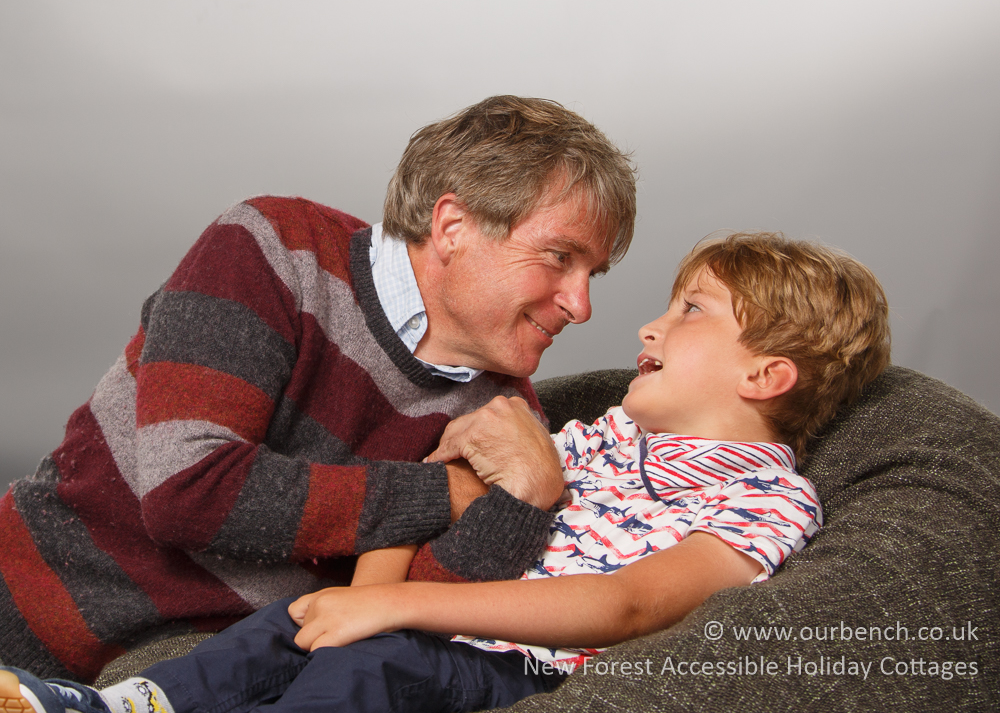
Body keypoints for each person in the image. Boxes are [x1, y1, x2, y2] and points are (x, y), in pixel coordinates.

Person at [0, 231, 892, 713]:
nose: (646, 331)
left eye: (688, 313)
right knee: (295, 626)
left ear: (766, 375)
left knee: (368, 665)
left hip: (513, 667)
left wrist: (394, 607)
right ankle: (121, 707)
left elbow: (631, 604)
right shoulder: (595, 436)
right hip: (409, 622)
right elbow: (421, 496)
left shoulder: (768, 495)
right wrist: (360, 594)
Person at [0, 96, 638, 682]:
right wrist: (451, 491)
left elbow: (406, 612)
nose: (580, 306)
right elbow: (188, 491)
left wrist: (528, 495)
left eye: (593, 273)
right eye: (560, 257)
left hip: (189, 676)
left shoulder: (509, 423)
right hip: (20, 612)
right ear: (453, 226)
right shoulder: (275, 247)